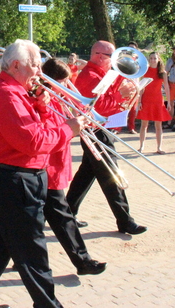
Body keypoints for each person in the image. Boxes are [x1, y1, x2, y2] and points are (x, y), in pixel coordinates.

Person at [0, 40, 85, 308]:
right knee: (32, 253)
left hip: (13, 178)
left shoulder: (17, 91)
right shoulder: (7, 94)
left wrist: (41, 106)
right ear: (16, 65)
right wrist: (68, 130)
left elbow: (34, 130)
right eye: (34, 65)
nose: (39, 71)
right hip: (13, 180)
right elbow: (32, 142)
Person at [66, 40, 147, 235]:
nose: (114, 62)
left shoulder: (105, 73)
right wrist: (121, 96)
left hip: (100, 129)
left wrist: (127, 91)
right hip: (95, 130)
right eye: (112, 57)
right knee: (111, 175)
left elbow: (110, 102)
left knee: (86, 174)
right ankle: (125, 221)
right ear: (99, 56)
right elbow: (97, 108)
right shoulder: (90, 76)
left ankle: (66, 212)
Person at [41, 58, 106, 276]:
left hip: (55, 164)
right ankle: (83, 261)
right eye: (63, 82)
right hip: (46, 167)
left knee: (31, 224)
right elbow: (50, 130)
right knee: (62, 218)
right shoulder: (45, 98)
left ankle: (21, 259)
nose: (68, 86)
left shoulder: (60, 96)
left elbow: (81, 111)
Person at [137, 52, 172, 154]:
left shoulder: (163, 73)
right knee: (144, 125)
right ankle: (141, 146)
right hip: (146, 100)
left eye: (154, 58)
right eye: (151, 58)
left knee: (158, 125)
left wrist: (169, 102)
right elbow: (141, 87)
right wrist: (139, 102)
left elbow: (166, 88)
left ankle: (159, 147)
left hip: (158, 100)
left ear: (158, 59)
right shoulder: (145, 71)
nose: (153, 60)